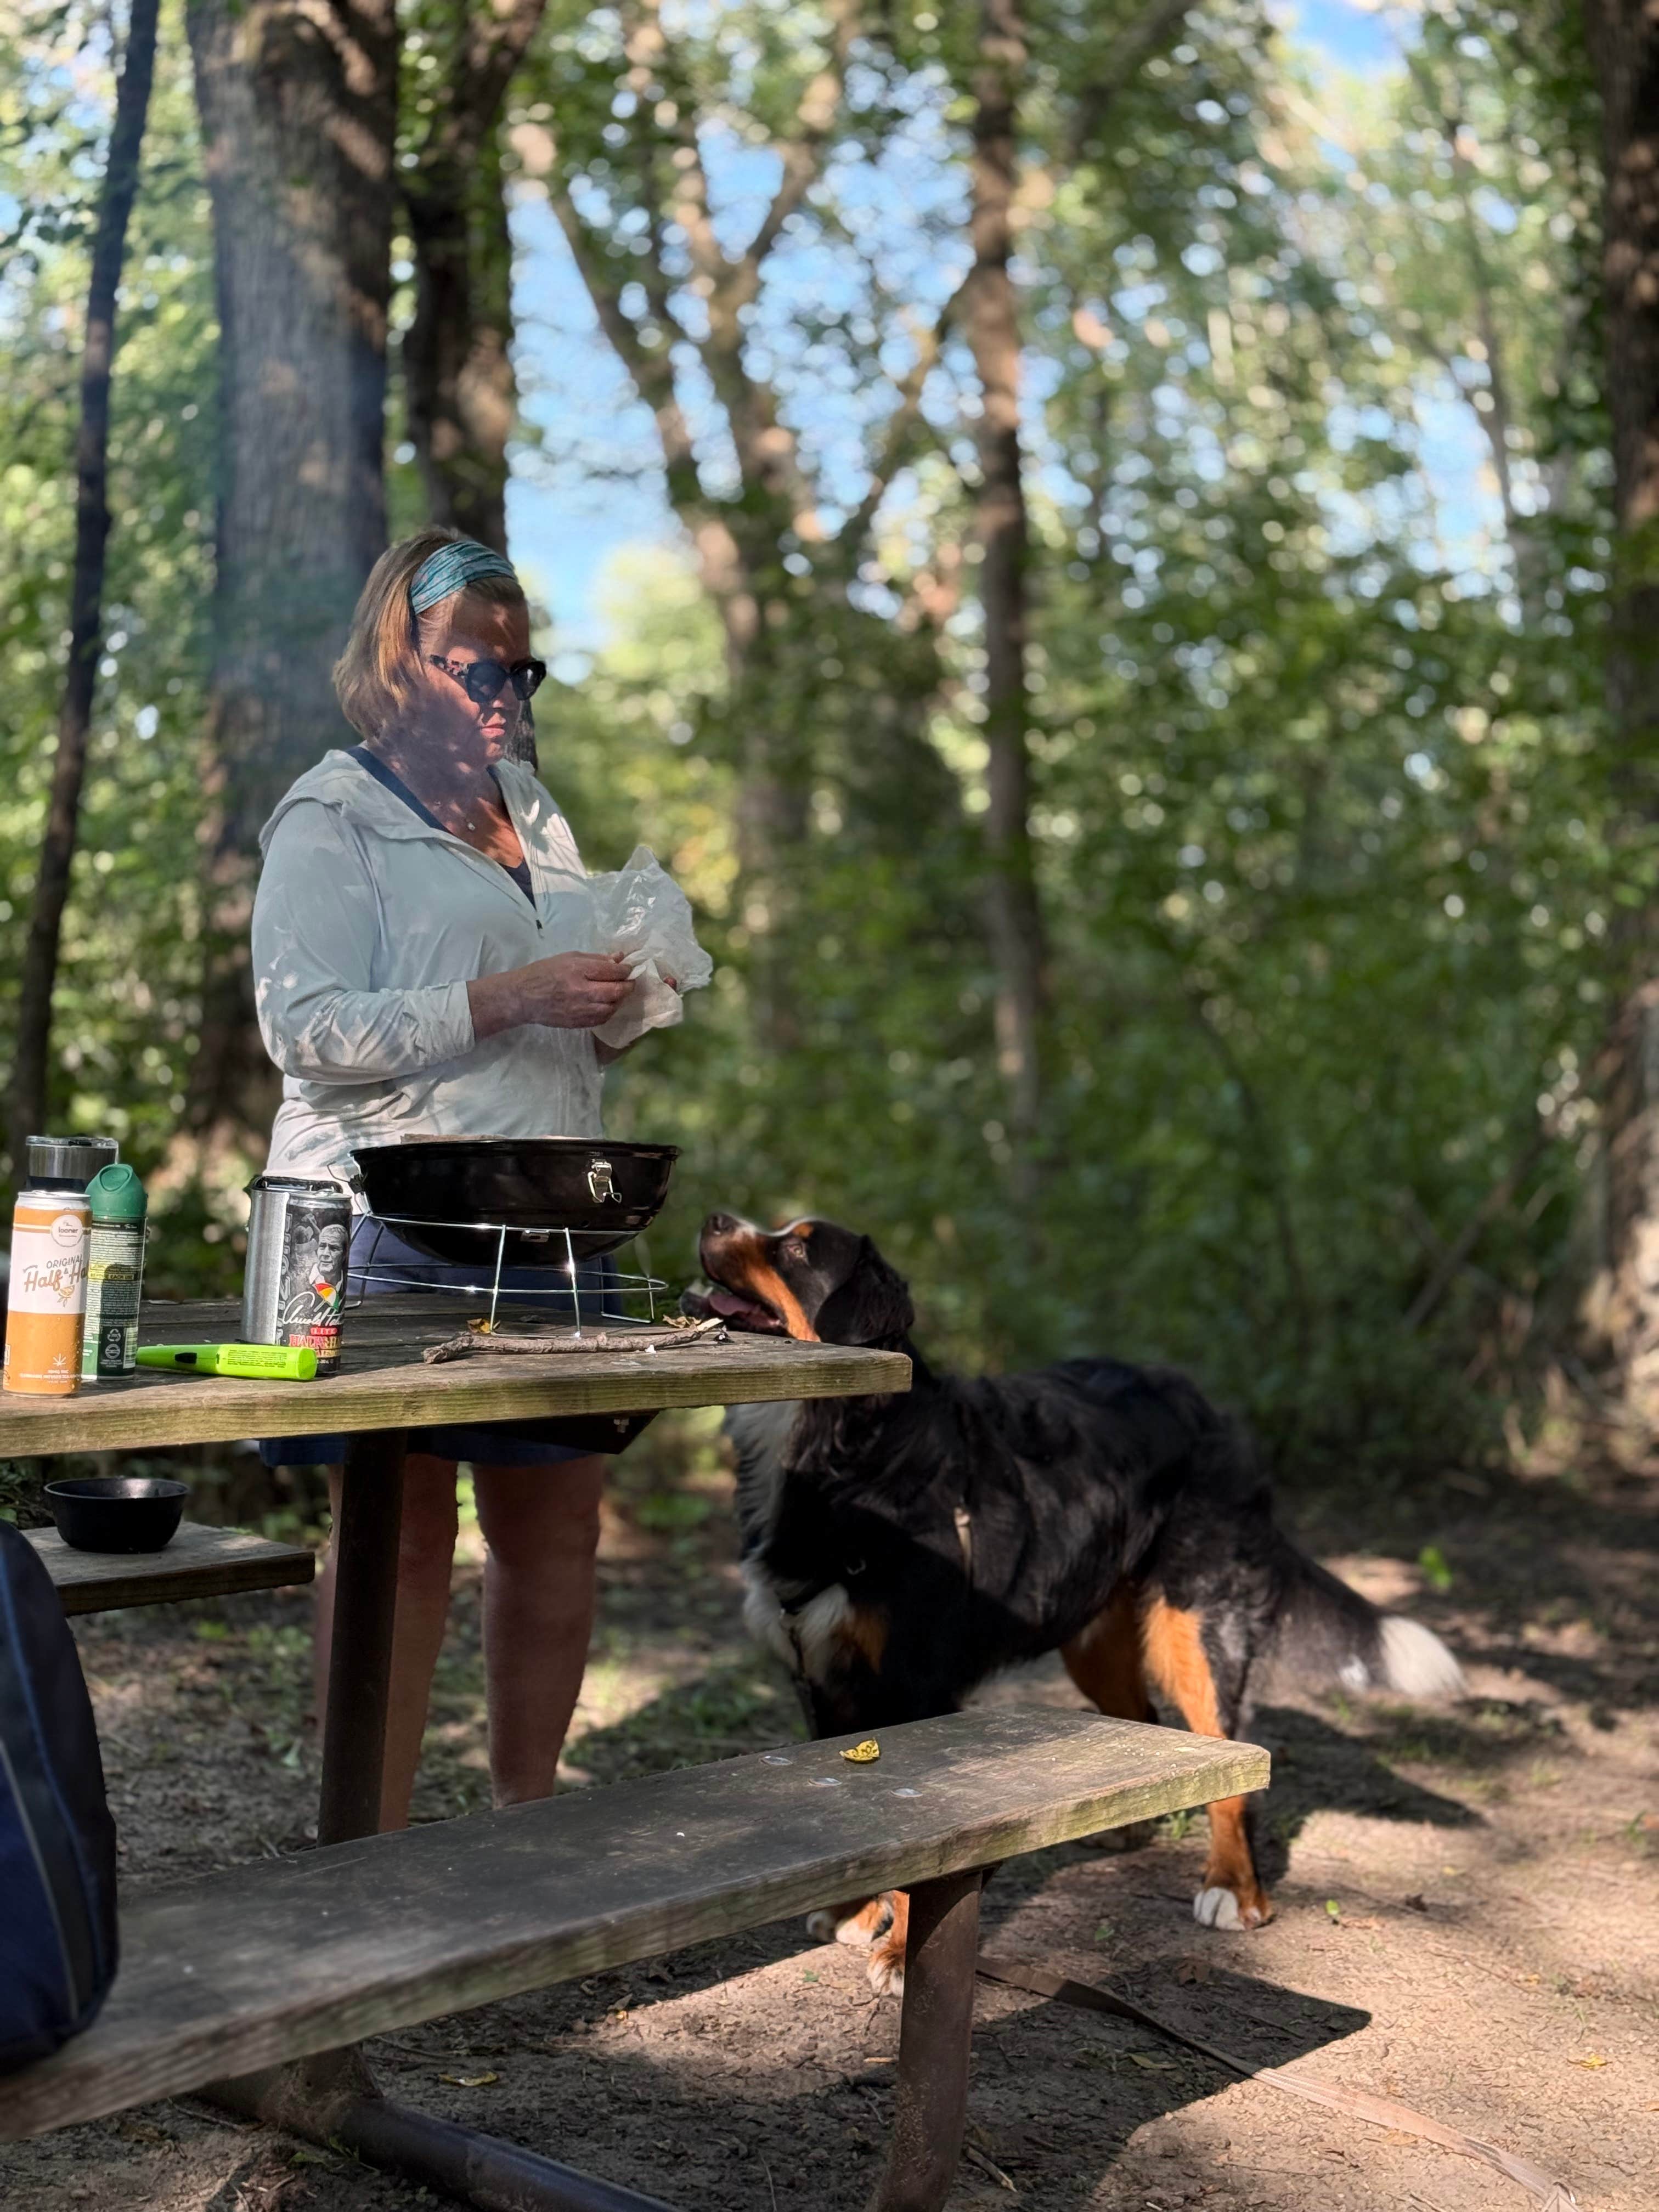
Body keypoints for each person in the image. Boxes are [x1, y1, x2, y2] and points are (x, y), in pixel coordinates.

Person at [250, 527, 679, 1830]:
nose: (498, 693)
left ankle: (526, 1826)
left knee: (557, 1533)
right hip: (387, 1218)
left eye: (518, 670)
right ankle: (363, 1843)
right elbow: (305, 1027)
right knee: (401, 1545)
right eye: (469, 666)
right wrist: (506, 997)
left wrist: (615, 1000)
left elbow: (560, 999)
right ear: (397, 657)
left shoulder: (529, 811)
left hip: (550, 1214)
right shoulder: (336, 817)